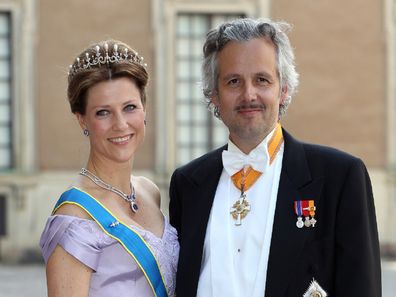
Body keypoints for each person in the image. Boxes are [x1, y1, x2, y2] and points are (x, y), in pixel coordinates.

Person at [169, 18, 381, 297]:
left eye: (262, 80)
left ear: (283, 89)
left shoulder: (339, 178)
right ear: (214, 96)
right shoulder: (187, 184)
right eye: (234, 81)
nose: (249, 94)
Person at [40, 40, 179, 297]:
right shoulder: (75, 217)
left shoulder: (149, 191)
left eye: (130, 107)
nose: (120, 124)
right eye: (103, 112)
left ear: (144, 108)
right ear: (81, 119)